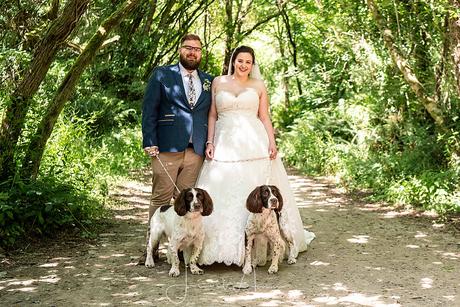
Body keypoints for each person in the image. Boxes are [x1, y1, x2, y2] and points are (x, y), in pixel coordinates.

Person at [196, 46, 315, 266]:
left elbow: (264, 116)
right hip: (224, 142)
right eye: (240, 60)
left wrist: (272, 142)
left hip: (254, 142)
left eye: (248, 62)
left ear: (253, 65)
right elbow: (212, 115)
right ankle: (219, 248)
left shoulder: (258, 85)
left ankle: (262, 246)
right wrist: (210, 142)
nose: (243, 65)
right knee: (222, 190)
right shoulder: (218, 82)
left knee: (254, 188)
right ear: (233, 61)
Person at [142, 33, 213, 222]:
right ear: (180, 49)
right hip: (166, 146)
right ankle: (152, 246)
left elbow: (212, 114)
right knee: (161, 197)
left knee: (186, 201)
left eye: (197, 49)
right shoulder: (162, 74)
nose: (192, 52)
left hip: (195, 151)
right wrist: (149, 141)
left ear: (201, 53)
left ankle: (178, 246)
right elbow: (149, 109)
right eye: (188, 48)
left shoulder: (209, 81)